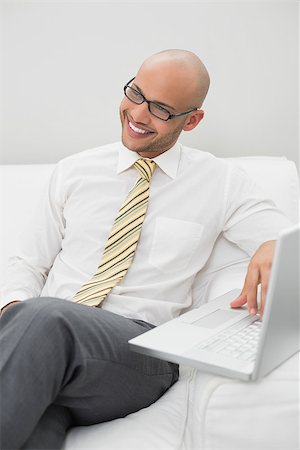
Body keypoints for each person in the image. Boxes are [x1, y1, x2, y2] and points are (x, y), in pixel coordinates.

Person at [0, 49, 291, 449]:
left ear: (192, 120)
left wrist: (274, 243)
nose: (138, 114)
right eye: (135, 93)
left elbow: (287, 238)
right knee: (37, 414)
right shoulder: (74, 170)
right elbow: (26, 263)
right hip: (47, 343)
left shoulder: (222, 182)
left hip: (141, 354)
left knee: (46, 319)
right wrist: (16, 320)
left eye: (160, 109)